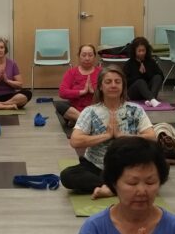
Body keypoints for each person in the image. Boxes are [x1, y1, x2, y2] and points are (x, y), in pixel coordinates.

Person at [60, 67, 156, 198]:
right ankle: (120, 186)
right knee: (67, 176)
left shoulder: (135, 110)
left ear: (123, 86)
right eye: (108, 82)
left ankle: (111, 187)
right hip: (95, 167)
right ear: (100, 86)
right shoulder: (90, 111)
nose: (113, 85)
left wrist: (123, 136)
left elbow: (152, 138)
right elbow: (75, 141)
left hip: (128, 166)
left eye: (117, 82)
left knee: (161, 170)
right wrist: (106, 136)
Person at [0, 36, 32, 110]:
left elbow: (20, 84)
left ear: (5, 49)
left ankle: (1, 105)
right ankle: (9, 106)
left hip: (10, 96)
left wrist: (7, 80)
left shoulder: (12, 64)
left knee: (27, 94)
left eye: (2, 47)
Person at [55, 44, 101, 124]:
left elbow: (108, 92)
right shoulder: (71, 72)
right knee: (60, 106)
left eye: (90, 55)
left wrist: (93, 91)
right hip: (75, 109)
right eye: (84, 55)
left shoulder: (101, 72)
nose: (87, 58)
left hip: (96, 108)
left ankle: (77, 120)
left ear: (94, 57)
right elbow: (62, 92)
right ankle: (88, 122)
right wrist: (81, 92)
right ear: (79, 56)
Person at [123, 36, 165, 105]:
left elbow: (161, 76)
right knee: (140, 81)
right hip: (134, 92)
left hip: (148, 92)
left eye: (143, 50)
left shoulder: (151, 61)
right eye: (139, 51)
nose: (142, 53)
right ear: (134, 51)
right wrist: (138, 73)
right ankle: (152, 99)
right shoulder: (129, 64)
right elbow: (126, 81)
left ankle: (151, 99)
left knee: (157, 77)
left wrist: (147, 71)